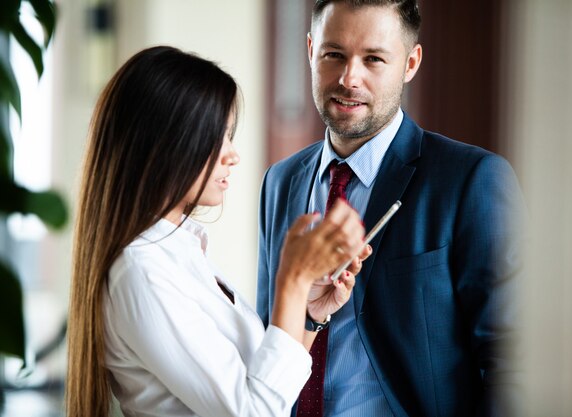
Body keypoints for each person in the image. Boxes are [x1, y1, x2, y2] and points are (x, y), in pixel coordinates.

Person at [65, 46, 369, 417]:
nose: (233, 155)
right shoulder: (141, 271)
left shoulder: (180, 250)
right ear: (164, 144)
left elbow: (265, 388)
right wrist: (291, 279)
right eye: (219, 136)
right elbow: (252, 412)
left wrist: (309, 313)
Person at [257, 1, 526, 416]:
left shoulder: (471, 179)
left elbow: (511, 359)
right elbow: (269, 334)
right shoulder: (280, 181)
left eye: (374, 59)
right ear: (310, 50)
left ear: (410, 63)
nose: (350, 78)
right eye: (334, 55)